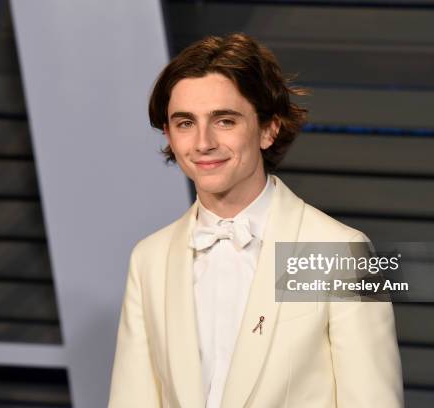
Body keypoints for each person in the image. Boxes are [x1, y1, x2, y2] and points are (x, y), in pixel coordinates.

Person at [107, 33, 403, 408]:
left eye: (224, 121)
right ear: (168, 133)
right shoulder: (149, 259)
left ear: (268, 128)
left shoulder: (341, 252)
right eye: (185, 123)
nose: (203, 142)